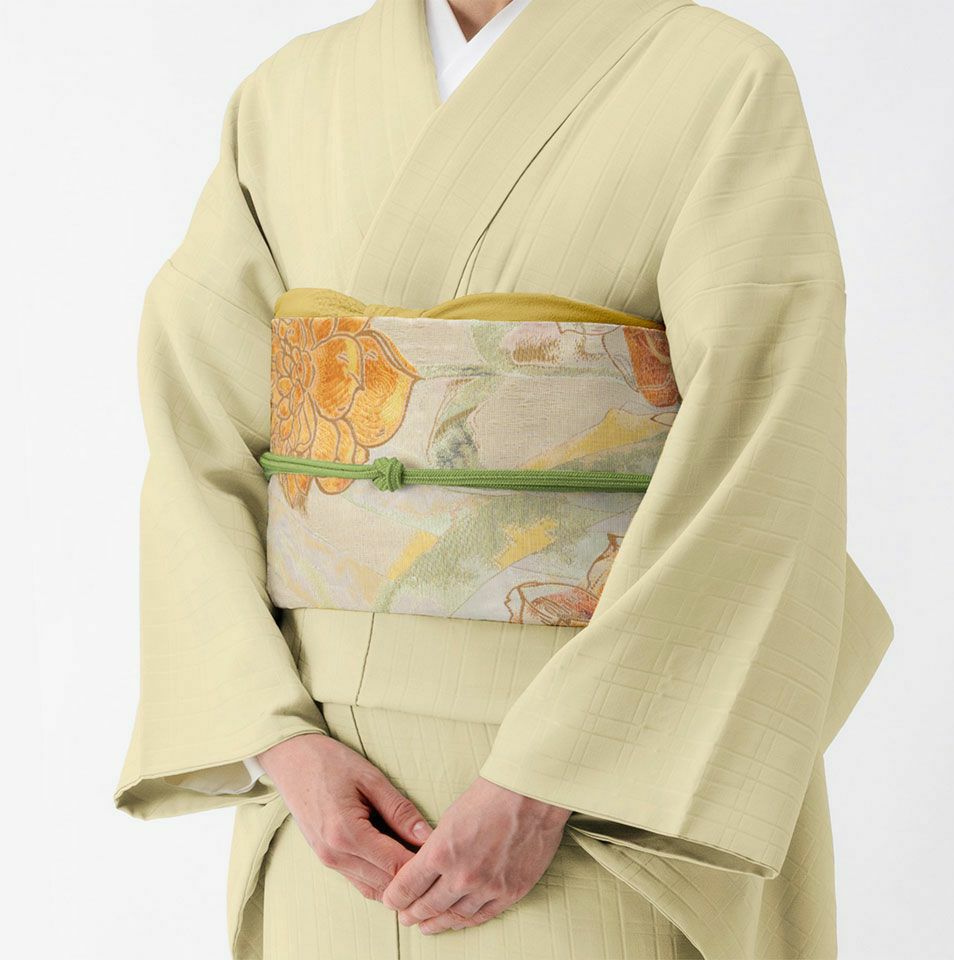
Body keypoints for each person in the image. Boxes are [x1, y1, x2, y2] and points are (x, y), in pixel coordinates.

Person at [113, 1, 894, 958]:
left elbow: (767, 441)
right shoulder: (286, 95)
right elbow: (197, 429)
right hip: (327, 794)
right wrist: (279, 744)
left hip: (603, 792)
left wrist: (549, 781)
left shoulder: (718, 76)